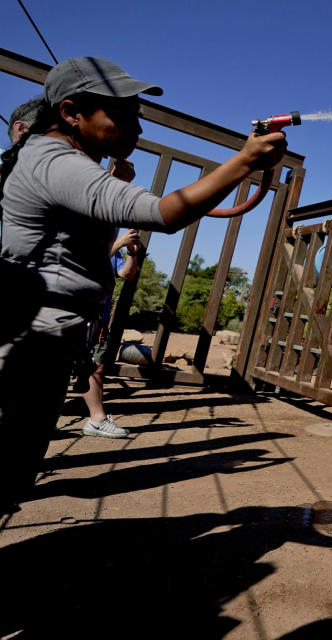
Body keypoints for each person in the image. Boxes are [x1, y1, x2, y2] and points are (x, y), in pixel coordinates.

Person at [0, 56, 286, 513]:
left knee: (12, 472)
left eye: (139, 115)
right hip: (29, 341)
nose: (137, 127)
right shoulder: (55, 162)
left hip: (43, 336)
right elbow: (164, 213)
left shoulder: (62, 160)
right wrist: (245, 160)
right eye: (123, 115)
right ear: (72, 112)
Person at [80, 228, 141, 438]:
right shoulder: (83, 241)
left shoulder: (113, 250)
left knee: (96, 366)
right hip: (78, 315)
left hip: (99, 316)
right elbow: (87, 266)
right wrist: (118, 244)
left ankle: (96, 420)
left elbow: (127, 274)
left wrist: (132, 253)